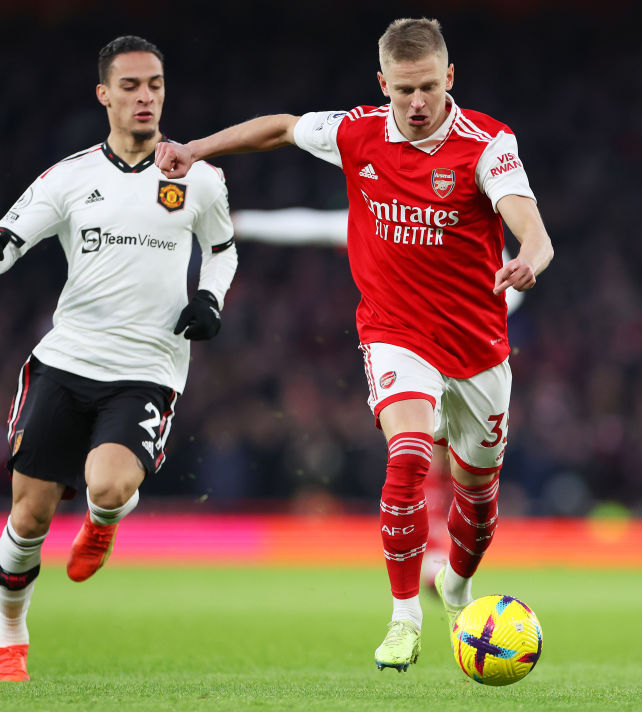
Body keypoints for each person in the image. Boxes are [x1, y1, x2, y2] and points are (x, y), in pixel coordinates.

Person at [156, 17, 553, 672]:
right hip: (397, 333)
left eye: (429, 87)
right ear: (382, 84)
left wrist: (529, 259)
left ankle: (457, 588)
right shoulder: (356, 132)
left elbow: (533, 231)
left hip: (478, 344)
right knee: (408, 456)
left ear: (450, 77)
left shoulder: (487, 144)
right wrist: (195, 149)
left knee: (478, 497)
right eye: (404, 90)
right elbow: (282, 127)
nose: (418, 103)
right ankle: (404, 618)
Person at [0, 35, 238, 682]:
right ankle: (10, 634)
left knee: (109, 485)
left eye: (155, 85)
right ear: (104, 95)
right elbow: (7, 242)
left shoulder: (199, 177)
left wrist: (209, 299)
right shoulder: (69, 177)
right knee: (29, 516)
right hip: (67, 360)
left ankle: (104, 519)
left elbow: (222, 250)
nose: (145, 97)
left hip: (147, 368)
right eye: (131, 86)